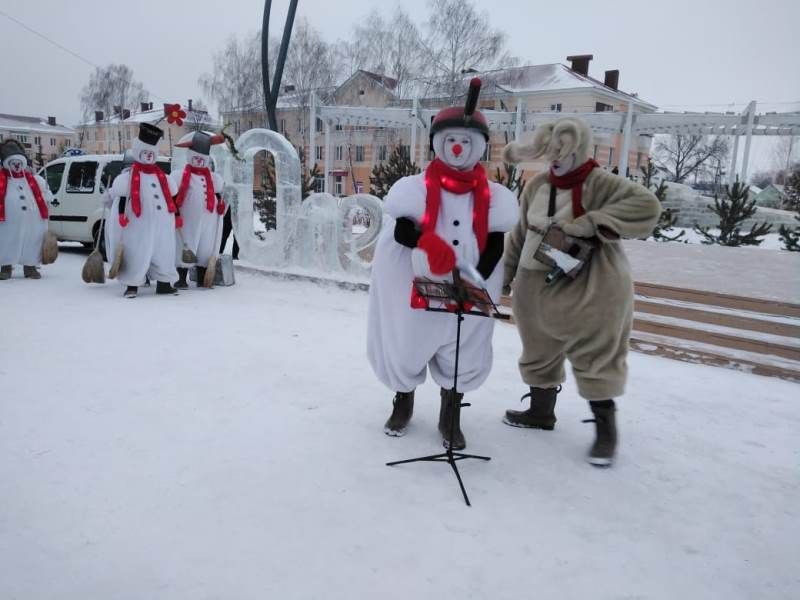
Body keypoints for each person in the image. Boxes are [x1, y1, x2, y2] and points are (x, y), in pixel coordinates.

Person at [367, 78, 518, 450]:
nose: (457, 147)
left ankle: (451, 412)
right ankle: (403, 400)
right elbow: (402, 232)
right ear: (437, 143)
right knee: (408, 343)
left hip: (468, 287)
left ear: (478, 147)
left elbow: (496, 243)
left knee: (463, 347)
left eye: (467, 141)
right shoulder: (413, 188)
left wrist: (476, 276)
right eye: (451, 139)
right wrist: (426, 242)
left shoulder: (496, 198)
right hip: (415, 284)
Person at [501, 117, 660, 467]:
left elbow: (647, 206)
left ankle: (606, 430)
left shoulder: (600, 183)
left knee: (596, 358)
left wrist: (591, 222)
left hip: (588, 289)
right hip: (536, 289)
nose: (555, 162)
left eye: (562, 154)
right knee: (538, 351)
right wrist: (504, 274)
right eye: (550, 155)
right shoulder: (537, 186)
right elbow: (519, 234)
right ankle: (541, 412)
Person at [106, 123, 180, 298]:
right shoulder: (128, 177)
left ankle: (164, 283)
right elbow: (123, 198)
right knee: (137, 252)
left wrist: (176, 215)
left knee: (164, 252)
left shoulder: (163, 177)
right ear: (138, 153)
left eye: (151, 154)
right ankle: (132, 285)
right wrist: (121, 216)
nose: (148, 156)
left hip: (162, 225)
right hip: (137, 224)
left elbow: (173, 196)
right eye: (145, 153)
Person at [170, 131, 226, 288]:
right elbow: (173, 198)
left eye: (203, 159)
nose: (200, 161)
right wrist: (176, 214)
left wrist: (221, 205)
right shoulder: (179, 176)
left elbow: (219, 195)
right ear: (190, 156)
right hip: (187, 221)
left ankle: (202, 277)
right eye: (196, 158)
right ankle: (181, 278)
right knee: (186, 245)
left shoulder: (214, 178)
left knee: (205, 248)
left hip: (209, 220)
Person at [0, 140, 51, 280]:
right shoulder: (2, 180)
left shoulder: (34, 180)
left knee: (32, 240)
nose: (16, 166)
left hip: (33, 222)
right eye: (12, 162)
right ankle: (5, 266)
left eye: (18, 162)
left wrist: (47, 197)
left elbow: (46, 195)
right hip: (8, 222)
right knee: (7, 240)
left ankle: (30, 266)